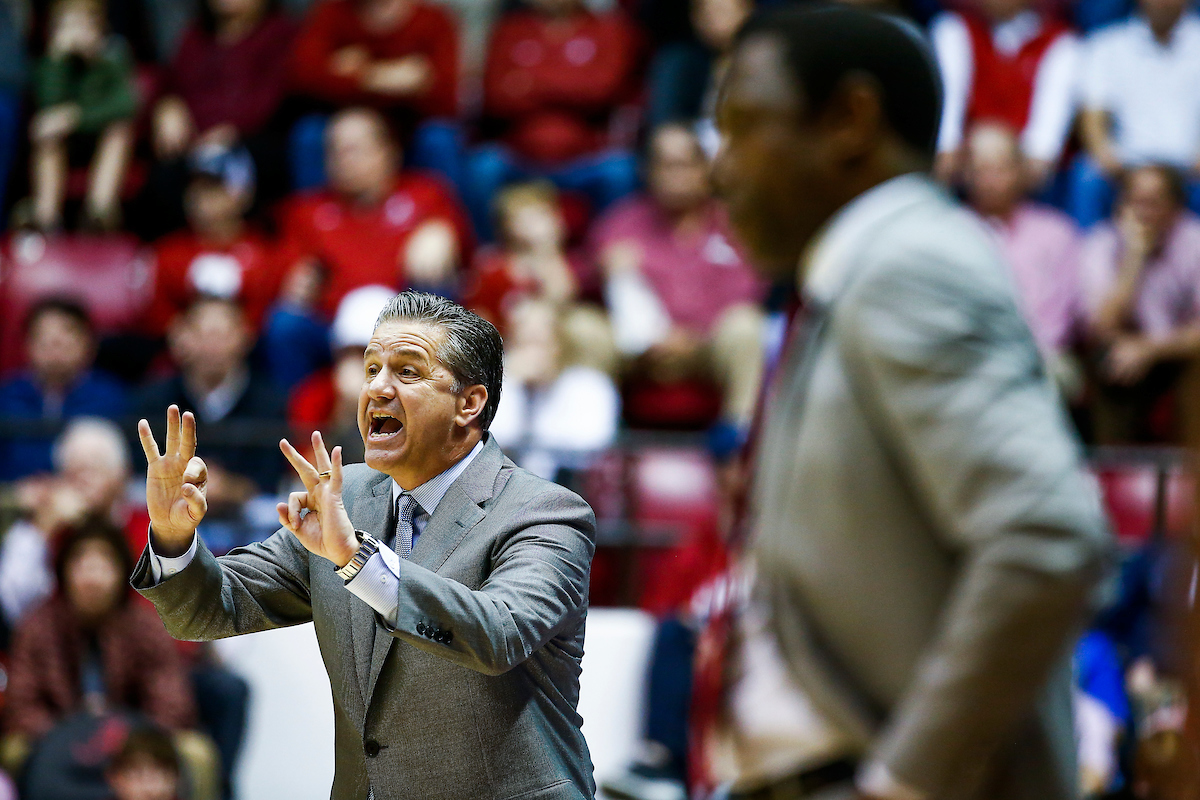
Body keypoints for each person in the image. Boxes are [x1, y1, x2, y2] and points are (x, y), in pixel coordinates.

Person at [700, 6, 1112, 799]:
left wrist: (902, 780)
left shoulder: (909, 263)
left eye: (744, 125)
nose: (722, 167)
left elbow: (1047, 538)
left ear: (851, 120)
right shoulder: (850, 276)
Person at [132, 291, 597, 800]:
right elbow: (208, 610)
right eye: (370, 367)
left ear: (470, 403)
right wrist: (173, 535)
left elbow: (499, 634)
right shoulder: (346, 494)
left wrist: (358, 560)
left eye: (408, 372)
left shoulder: (546, 512)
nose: (375, 387)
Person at [265, 106, 473, 390]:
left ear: (388, 152)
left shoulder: (426, 195)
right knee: (285, 325)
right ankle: (292, 426)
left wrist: (444, 232)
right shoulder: (307, 212)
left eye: (355, 149)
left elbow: (468, 257)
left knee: (446, 304)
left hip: (409, 329)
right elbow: (287, 281)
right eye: (335, 151)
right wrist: (295, 281)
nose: (343, 160)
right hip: (335, 330)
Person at [592, 122, 766, 431]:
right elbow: (586, 285)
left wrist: (692, 335)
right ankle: (587, 453)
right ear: (648, 171)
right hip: (639, 353)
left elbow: (749, 293)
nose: (674, 174)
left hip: (706, 348)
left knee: (746, 327)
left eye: (683, 164)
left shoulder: (733, 224)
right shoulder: (622, 222)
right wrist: (604, 270)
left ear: (704, 169)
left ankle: (738, 441)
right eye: (664, 164)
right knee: (583, 330)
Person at [2, 522, 198, 777]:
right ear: (63, 572)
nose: (92, 579)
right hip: (55, 739)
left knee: (196, 753)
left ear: (123, 573)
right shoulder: (37, 627)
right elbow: (22, 705)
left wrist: (124, 737)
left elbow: (172, 706)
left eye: (104, 567)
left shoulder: (147, 626)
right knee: (13, 750)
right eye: (82, 566)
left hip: (135, 742)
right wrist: (73, 736)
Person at [464, 0, 641, 239]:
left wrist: (527, 84)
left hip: (586, 160)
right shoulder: (510, 29)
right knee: (483, 167)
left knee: (621, 171)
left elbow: (605, 89)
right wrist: (573, 82)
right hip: (519, 158)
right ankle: (488, 259)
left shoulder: (608, 28)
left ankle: (607, 256)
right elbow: (495, 95)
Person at [138, 0, 298, 237]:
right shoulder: (196, 35)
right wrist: (167, 105)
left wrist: (230, 131)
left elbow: (273, 96)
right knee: (162, 175)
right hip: (194, 143)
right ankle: (171, 261)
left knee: (244, 164)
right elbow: (169, 82)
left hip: (254, 141)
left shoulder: (281, 33)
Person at [1078, 163, 1200, 444]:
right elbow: (1100, 327)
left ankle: (1192, 474)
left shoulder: (1195, 242)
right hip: (1124, 356)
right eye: (1134, 201)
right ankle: (1111, 473)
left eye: (1153, 202)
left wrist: (1150, 349)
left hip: (1179, 353)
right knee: (1106, 359)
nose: (1142, 212)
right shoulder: (1101, 243)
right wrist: (1134, 257)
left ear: (1176, 208)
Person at [962, 122, 1083, 395]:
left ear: (1020, 171)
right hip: (968, 359)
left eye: (1000, 169)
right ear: (965, 173)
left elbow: (1064, 316)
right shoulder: (949, 231)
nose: (990, 181)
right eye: (980, 170)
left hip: (1043, 358)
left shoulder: (1056, 233)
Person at [288, 0, 461, 190]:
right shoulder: (331, 13)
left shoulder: (433, 19)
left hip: (408, 130)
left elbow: (445, 96)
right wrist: (388, 76)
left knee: (439, 138)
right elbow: (304, 77)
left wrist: (351, 71)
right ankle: (313, 216)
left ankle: (441, 215)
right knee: (309, 133)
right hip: (344, 122)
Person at [137, 296, 286, 498]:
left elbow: (272, 478)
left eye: (223, 335)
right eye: (202, 334)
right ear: (181, 337)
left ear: (246, 337)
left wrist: (230, 488)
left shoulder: (271, 404)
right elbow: (138, 473)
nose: (212, 345)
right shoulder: (153, 401)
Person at [1071, 0, 1200, 227]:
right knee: (1086, 175)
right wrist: (1104, 155)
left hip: (1189, 165)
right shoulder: (1107, 44)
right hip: (1126, 163)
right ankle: (1090, 256)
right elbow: (1092, 116)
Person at [929, 0, 1078, 187]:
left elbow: (1044, 146)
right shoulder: (953, 29)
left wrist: (1003, 165)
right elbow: (947, 120)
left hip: (1023, 173)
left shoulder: (1060, 42)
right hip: (965, 166)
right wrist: (961, 155)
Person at [145, 146, 286, 338]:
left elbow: (268, 310)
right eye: (194, 187)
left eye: (212, 186)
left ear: (243, 193)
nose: (199, 196)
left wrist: (237, 335)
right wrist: (178, 333)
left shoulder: (267, 251)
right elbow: (156, 312)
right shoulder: (167, 252)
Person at [26, 0, 137, 232]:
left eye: (84, 24)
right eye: (69, 25)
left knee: (119, 130)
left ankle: (98, 214)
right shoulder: (54, 61)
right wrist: (56, 60)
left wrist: (75, 116)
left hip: (100, 140)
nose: (77, 32)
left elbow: (125, 104)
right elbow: (47, 104)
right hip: (68, 142)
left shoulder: (113, 56)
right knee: (46, 135)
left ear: (99, 27)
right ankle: (46, 220)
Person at [0, 297, 128, 482]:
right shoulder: (6, 397)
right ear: (27, 345)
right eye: (43, 336)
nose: (55, 344)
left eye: (66, 334)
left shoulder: (111, 397)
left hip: (86, 503)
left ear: (88, 343)